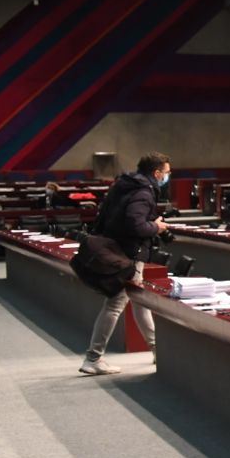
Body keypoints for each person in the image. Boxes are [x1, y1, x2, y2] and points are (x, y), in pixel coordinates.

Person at [78, 153, 171, 376]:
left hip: (117, 250)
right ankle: (93, 357)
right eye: (167, 173)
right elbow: (135, 224)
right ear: (157, 173)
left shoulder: (124, 184)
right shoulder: (143, 191)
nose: (168, 176)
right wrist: (156, 227)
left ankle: (156, 348)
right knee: (115, 304)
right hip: (128, 256)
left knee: (139, 301)